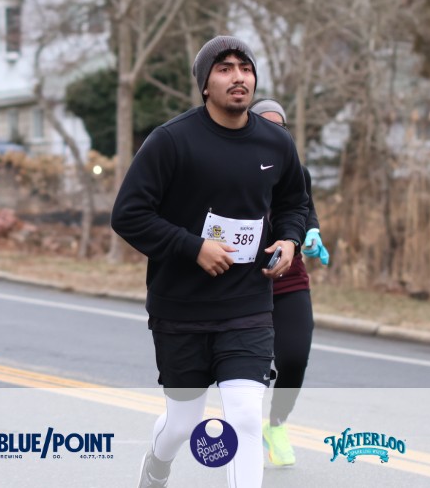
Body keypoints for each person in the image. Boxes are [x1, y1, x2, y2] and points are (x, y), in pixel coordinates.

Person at [111, 35, 308, 488]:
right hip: (181, 308)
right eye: (225, 69)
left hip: (247, 305)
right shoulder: (171, 141)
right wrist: (193, 247)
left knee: (245, 416)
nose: (238, 77)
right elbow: (128, 215)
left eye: (245, 68)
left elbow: (295, 202)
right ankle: (156, 466)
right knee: (182, 423)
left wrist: (290, 239)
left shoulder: (276, 143)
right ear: (205, 83)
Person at [249, 99, 330, 468]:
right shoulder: (233, 170)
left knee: (294, 357)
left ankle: (276, 425)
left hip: (290, 278)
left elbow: (304, 209)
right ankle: (245, 428)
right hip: (245, 284)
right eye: (264, 124)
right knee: (250, 367)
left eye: (279, 127)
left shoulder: (297, 171)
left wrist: (311, 233)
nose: (272, 133)